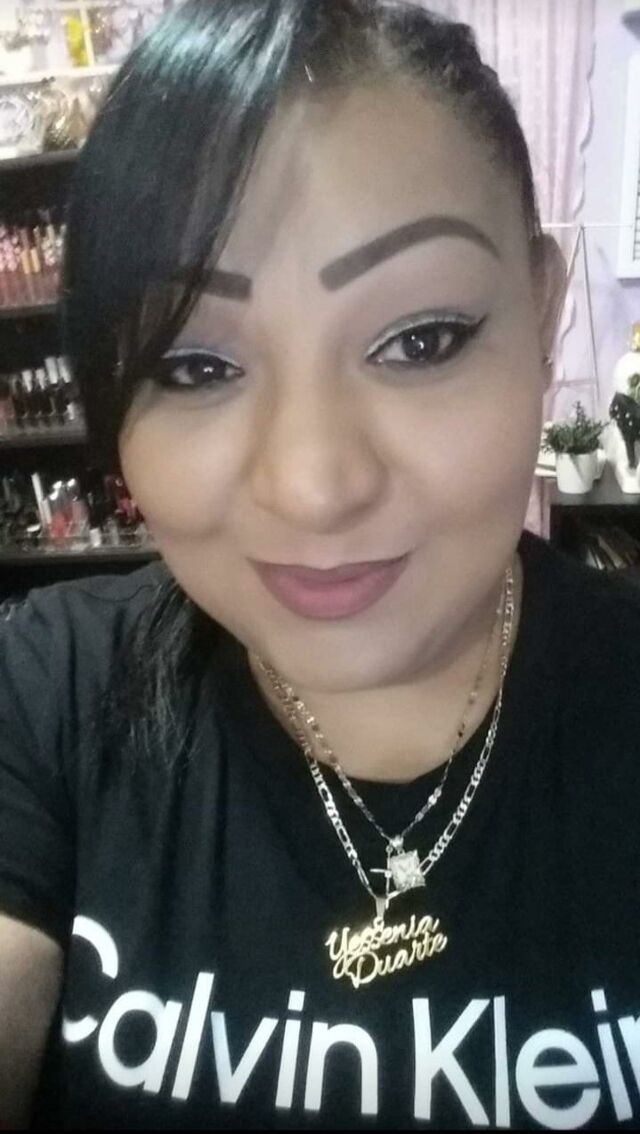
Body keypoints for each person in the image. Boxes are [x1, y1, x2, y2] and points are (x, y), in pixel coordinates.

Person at [1, 1, 639, 1128]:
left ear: (543, 314)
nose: (313, 485)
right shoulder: (51, 693)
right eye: (193, 366)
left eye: (420, 340)